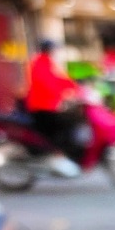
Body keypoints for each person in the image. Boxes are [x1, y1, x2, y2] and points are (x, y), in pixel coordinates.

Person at [26, 39, 85, 173]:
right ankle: (58, 156)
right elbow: (46, 84)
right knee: (63, 127)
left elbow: (59, 79)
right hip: (41, 107)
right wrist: (64, 93)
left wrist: (75, 87)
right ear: (49, 50)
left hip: (50, 105)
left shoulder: (48, 62)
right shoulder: (39, 63)